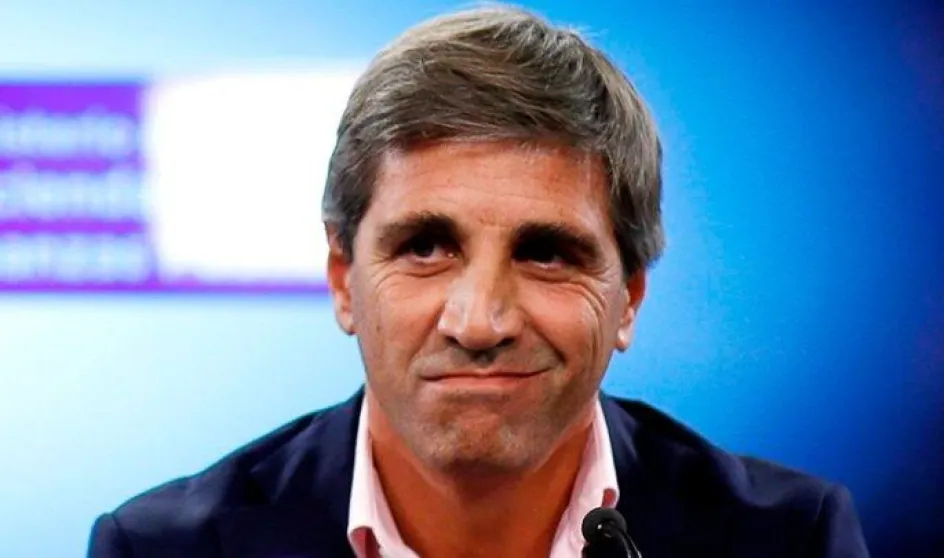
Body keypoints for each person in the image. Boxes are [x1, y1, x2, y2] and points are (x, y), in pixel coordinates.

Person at [87, 5, 869, 557]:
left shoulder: (787, 539)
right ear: (344, 279)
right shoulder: (166, 549)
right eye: (426, 247)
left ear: (629, 296)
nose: (479, 322)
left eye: (547, 254)